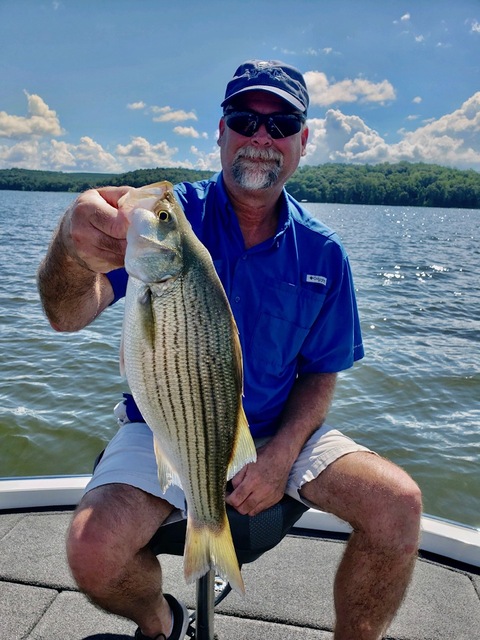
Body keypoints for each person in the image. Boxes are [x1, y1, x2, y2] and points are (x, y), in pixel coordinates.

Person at [37, 60, 422, 640]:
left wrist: (280, 454)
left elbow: (321, 373)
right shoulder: (167, 220)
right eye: (245, 119)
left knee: (399, 505)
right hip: (165, 417)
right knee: (92, 551)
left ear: (303, 141)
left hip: (276, 427)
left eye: (281, 123)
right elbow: (66, 316)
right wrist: (71, 245)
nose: (261, 138)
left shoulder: (324, 255)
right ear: (220, 132)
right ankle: (163, 622)